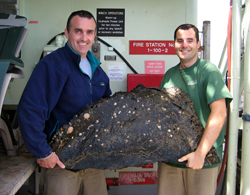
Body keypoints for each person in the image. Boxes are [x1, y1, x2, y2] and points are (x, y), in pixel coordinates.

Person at [17, 10, 111, 195]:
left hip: (92, 163)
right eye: (78, 31)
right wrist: (43, 152)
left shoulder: (98, 72)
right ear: (67, 33)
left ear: (94, 35)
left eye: (89, 32)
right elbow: (30, 110)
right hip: (61, 163)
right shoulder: (53, 65)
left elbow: (107, 111)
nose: (84, 37)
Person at [158, 24, 233, 195]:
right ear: (174, 44)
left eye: (190, 40)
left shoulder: (208, 72)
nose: (184, 45)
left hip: (203, 161)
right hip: (171, 161)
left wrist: (200, 153)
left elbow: (220, 112)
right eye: (180, 41)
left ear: (198, 44)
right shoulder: (169, 75)